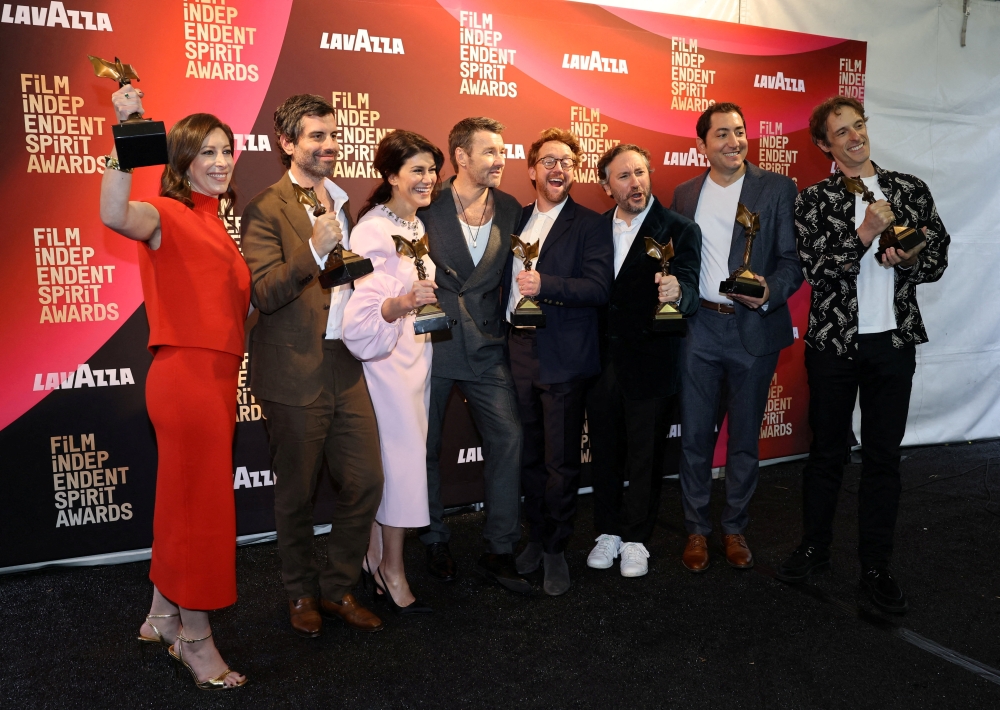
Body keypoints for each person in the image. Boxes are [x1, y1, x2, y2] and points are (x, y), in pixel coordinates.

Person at [99, 87, 248, 689]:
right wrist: (124, 138)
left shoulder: (218, 224)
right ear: (182, 161)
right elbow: (114, 215)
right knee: (201, 512)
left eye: (226, 149)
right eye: (206, 151)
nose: (220, 160)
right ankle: (196, 638)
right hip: (186, 377)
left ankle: (161, 616)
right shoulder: (166, 214)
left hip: (213, 378)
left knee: (181, 503)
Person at [778, 96, 950, 613]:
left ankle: (876, 566)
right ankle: (815, 547)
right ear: (824, 145)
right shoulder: (814, 199)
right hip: (834, 343)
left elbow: (938, 256)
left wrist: (910, 256)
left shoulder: (909, 189)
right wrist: (866, 234)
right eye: (842, 132)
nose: (855, 137)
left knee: (883, 458)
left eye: (859, 127)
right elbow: (817, 267)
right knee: (827, 453)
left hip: (893, 344)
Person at [240, 95, 384, 637]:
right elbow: (264, 292)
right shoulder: (264, 208)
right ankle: (300, 592)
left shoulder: (342, 201)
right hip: (292, 369)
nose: (327, 145)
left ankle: (337, 585)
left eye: (332, 135)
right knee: (295, 495)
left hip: (344, 363)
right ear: (287, 144)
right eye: (315, 137)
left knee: (367, 479)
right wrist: (312, 251)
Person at [671, 103, 802, 572]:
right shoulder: (685, 194)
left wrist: (770, 291)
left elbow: (792, 260)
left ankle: (734, 527)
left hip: (752, 329)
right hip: (699, 329)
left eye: (741, 132)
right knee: (695, 439)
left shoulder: (777, 188)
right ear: (702, 145)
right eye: (722, 134)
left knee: (744, 438)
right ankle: (696, 530)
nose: (734, 141)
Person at [417, 117, 527, 593]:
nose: (501, 160)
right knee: (424, 447)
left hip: (487, 348)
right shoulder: (426, 203)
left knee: (508, 438)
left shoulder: (511, 208)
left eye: (503, 151)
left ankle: (500, 545)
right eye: (490, 152)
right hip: (433, 347)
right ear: (460, 156)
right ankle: (433, 538)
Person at [501, 128, 613, 595]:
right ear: (531, 169)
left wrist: (546, 285)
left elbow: (598, 288)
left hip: (564, 357)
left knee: (560, 462)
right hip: (517, 351)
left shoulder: (589, 224)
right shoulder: (516, 219)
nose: (558, 169)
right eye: (549, 160)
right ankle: (536, 535)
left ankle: (556, 548)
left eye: (567, 161)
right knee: (528, 457)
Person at [586, 144, 702, 578]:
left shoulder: (678, 229)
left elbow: (688, 284)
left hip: (651, 359)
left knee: (645, 455)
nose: (635, 182)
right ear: (606, 185)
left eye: (640, 172)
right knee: (605, 451)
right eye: (623, 176)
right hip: (598, 360)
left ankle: (636, 538)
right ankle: (607, 531)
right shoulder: (593, 229)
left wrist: (680, 294)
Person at [341, 130, 445, 614]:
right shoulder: (371, 233)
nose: (428, 179)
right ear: (390, 177)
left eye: (431, 169)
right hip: (385, 366)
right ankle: (392, 568)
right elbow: (360, 318)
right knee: (401, 469)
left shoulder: (415, 226)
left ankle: (376, 556)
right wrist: (404, 302)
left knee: (397, 466)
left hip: (415, 359)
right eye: (417, 171)